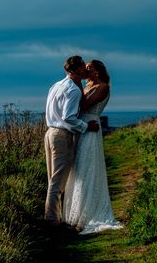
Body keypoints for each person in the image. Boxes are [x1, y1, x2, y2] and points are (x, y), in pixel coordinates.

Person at [63, 59, 122, 235]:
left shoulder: (103, 87)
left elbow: (85, 105)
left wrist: (79, 83)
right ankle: (75, 212)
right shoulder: (88, 84)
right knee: (78, 168)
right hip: (82, 126)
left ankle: (89, 213)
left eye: (88, 68)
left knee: (88, 167)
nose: (85, 71)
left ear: (96, 71)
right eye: (84, 68)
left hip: (91, 126)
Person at [44, 55, 100, 226]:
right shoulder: (74, 90)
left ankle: (55, 217)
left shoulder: (56, 85)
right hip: (61, 135)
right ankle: (52, 220)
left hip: (50, 132)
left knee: (53, 177)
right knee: (58, 179)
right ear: (76, 70)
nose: (86, 70)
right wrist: (85, 126)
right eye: (83, 67)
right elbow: (67, 117)